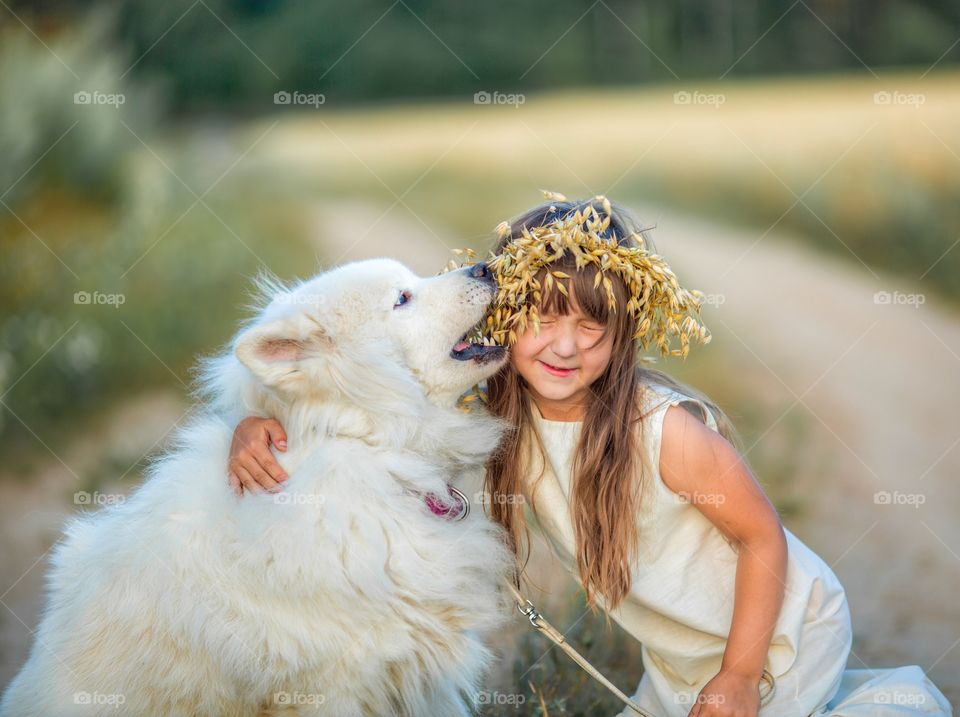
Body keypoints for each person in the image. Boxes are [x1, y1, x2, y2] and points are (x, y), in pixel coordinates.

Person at [225, 192, 952, 717]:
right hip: (682, 653)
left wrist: (736, 674)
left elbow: (763, 539)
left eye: (591, 325)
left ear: (622, 332)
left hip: (780, 633)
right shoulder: (498, 414)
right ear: (505, 316)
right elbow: (375, 415)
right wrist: (259, 420)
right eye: (541, 316)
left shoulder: (665, 433)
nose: (565, 345)